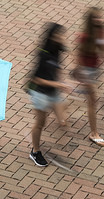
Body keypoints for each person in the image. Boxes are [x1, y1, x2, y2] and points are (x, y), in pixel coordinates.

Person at [27, 23, 73, 167]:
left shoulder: (58, 50)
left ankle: (58, 113)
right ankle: (35, 151)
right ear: (52, 36)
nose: (62, 37)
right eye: (59, 35)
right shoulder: (42, 54)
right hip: (40, 92)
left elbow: (57, 69)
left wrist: (61, 81)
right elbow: (36, 79)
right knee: (41, 123)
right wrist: (58, 85)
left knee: (63, 121)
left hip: (53, 91)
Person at [75, 7, 104, 147]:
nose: (100, 20)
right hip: (85, 72)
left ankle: (61, 104)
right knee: (92, 102)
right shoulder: (84, 37)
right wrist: (84, 78)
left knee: (85, 97)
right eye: (96, 18)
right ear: (90, 21)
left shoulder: (101, 32)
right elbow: (77, 57)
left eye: (100, 17)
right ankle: (94, 133)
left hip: (95, 71)